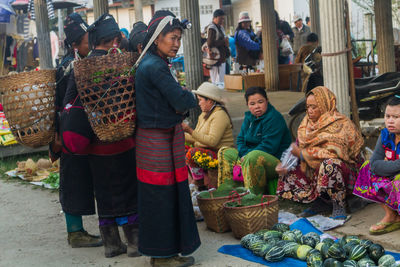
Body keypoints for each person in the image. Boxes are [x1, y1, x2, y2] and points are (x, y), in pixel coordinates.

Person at [62, 14, 139, 258]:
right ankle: (135, 243)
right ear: (115, 38)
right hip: (122, 139)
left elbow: (67, 103)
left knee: (104, 193)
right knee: (128, 191)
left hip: (95, 144)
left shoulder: (79, 67)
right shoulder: (121, 63)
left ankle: (112, 244)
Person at [135, 10, 201, 267]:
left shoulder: (156, 64)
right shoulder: (155, 67)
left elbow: (177, 102)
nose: (176, 44)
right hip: (156, 142)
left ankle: (166, 252)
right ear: (156, 38)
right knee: (160, 195)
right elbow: (180, 99)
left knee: (163, 194)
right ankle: (162, 257)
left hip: (158, 138)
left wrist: (180, 102)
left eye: (178, 39)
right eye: (172, 38)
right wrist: (186, 98)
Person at [50, 13, 102, 249]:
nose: (90, 46)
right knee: (72, 181)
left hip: (77, 132)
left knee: (79, 179)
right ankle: (75, 232)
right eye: (86, 42)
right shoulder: (69, 67)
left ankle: (78, 230)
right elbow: (57, 104)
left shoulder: (75, 64)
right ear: (74, 45)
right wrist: (57, 136)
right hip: (69, 133)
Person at [276, 87, 363, 220]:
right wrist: (285, 164)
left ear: (324, 105)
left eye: (314, 107)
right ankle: (320, 201)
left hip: (345, 170)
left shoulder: (342, 124)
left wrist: (302, 153)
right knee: (290, 168)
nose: (309, 111)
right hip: (316, 168)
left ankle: (338, 203)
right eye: (307, 107)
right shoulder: (306, 124)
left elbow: (334, 152)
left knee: (329, 165)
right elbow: (297, 147)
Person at [218, 87, 291, 195]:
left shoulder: (274, 118)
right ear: (248, 105)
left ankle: (253, 198)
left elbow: (269, 147)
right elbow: (240, 139)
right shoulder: (249, 117)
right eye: (252, 104)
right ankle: (229, 193)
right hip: (249, 156)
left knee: (253, 157)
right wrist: (244, 154)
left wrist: (247, 156)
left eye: (260, 102)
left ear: (267, 101)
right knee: (225, 152)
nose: (257, 106)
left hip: (276, 161)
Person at [353, 96, 400, 235]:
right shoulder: (385, 135)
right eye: (387, 116)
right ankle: (391, 216)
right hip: (392, 172)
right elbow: (374, 164)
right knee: (367, 168)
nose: (390, 120)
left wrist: (387, 167)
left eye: (396, 117)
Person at [182, 82, 234, 181]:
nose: (199, 103)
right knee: (181, 149)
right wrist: (179, 133)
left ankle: (200, 184)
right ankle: (199, 184)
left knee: (192, 152)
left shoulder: (219, 115)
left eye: (200, 100)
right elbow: (195, 138)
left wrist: (189, 130)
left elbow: (212, 141)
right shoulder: (203, 115)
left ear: (210, 101)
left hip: (220, 154)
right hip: (207, 151)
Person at [206, 9, 230, 86]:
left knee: (220, 80)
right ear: (215, 18)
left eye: (223, 19)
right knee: (217, 82)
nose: (222, 21)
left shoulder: (220, 27)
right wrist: (223, 41)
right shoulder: (212, 28)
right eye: (221, 19)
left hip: (220, 58)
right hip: (216, 59)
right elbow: (210, 43)